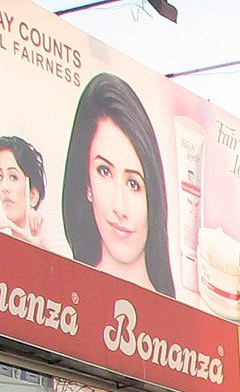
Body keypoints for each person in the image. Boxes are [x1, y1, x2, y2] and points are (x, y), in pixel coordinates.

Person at [62, 73, 176, 296]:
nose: (119, 207)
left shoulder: (182, 313)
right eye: (104, 171)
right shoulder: (61, 297)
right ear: (87, 185)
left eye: (133, 183)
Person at [0, 136, 62, 251]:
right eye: (0, 176)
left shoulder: (45, 241)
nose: (4, 187)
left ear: (32, 195)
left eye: (13, 177)